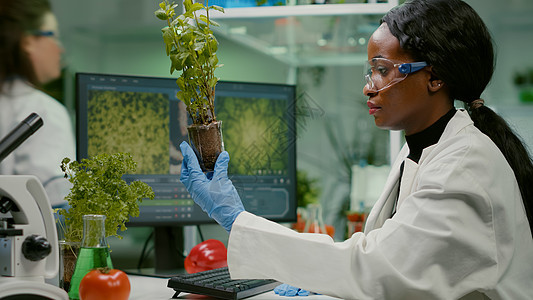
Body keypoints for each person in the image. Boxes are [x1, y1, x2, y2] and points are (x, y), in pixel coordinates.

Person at [179, 0, 533, 298]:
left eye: (381, 70)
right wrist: (323, 278)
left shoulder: (464, 168)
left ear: (435, 76)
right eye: (370, 71)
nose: (369, 87)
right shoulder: (424, 150)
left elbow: (377, 269)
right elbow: (384, 251)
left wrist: (235, 218)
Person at [0, 0, 75, 208]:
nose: (60, 49)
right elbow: (57, 212)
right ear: (28, 41)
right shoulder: (45, 111)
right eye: (54, 35)